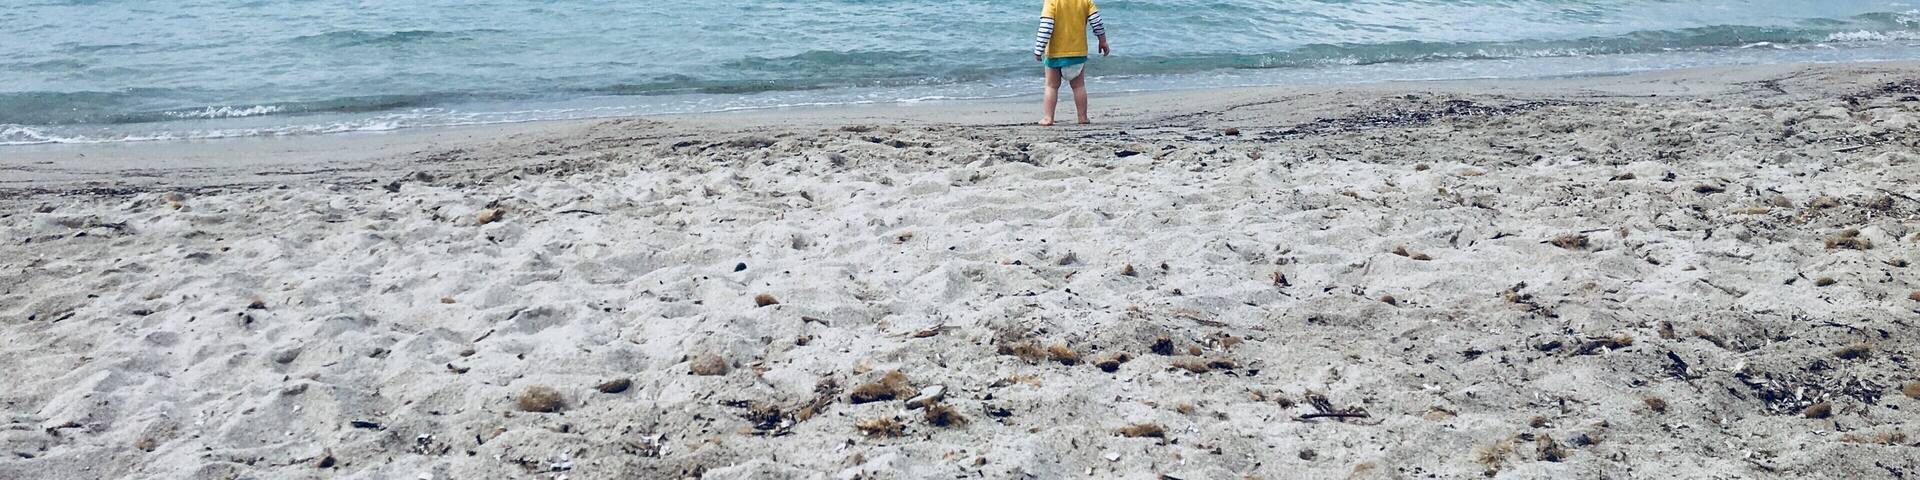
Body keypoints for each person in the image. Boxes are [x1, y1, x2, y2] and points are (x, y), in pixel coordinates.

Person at [1033, 0, 1109, 126]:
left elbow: (1046, 26)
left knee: (1051, 86)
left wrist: (1039, 48)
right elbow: (1097, 22)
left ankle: (1048, 118)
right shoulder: (1085, 1)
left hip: (1055, 54)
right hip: (1078, 52)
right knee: (1078, 86)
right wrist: (1102, 41)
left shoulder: (1052, 2)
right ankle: (1082, 117)